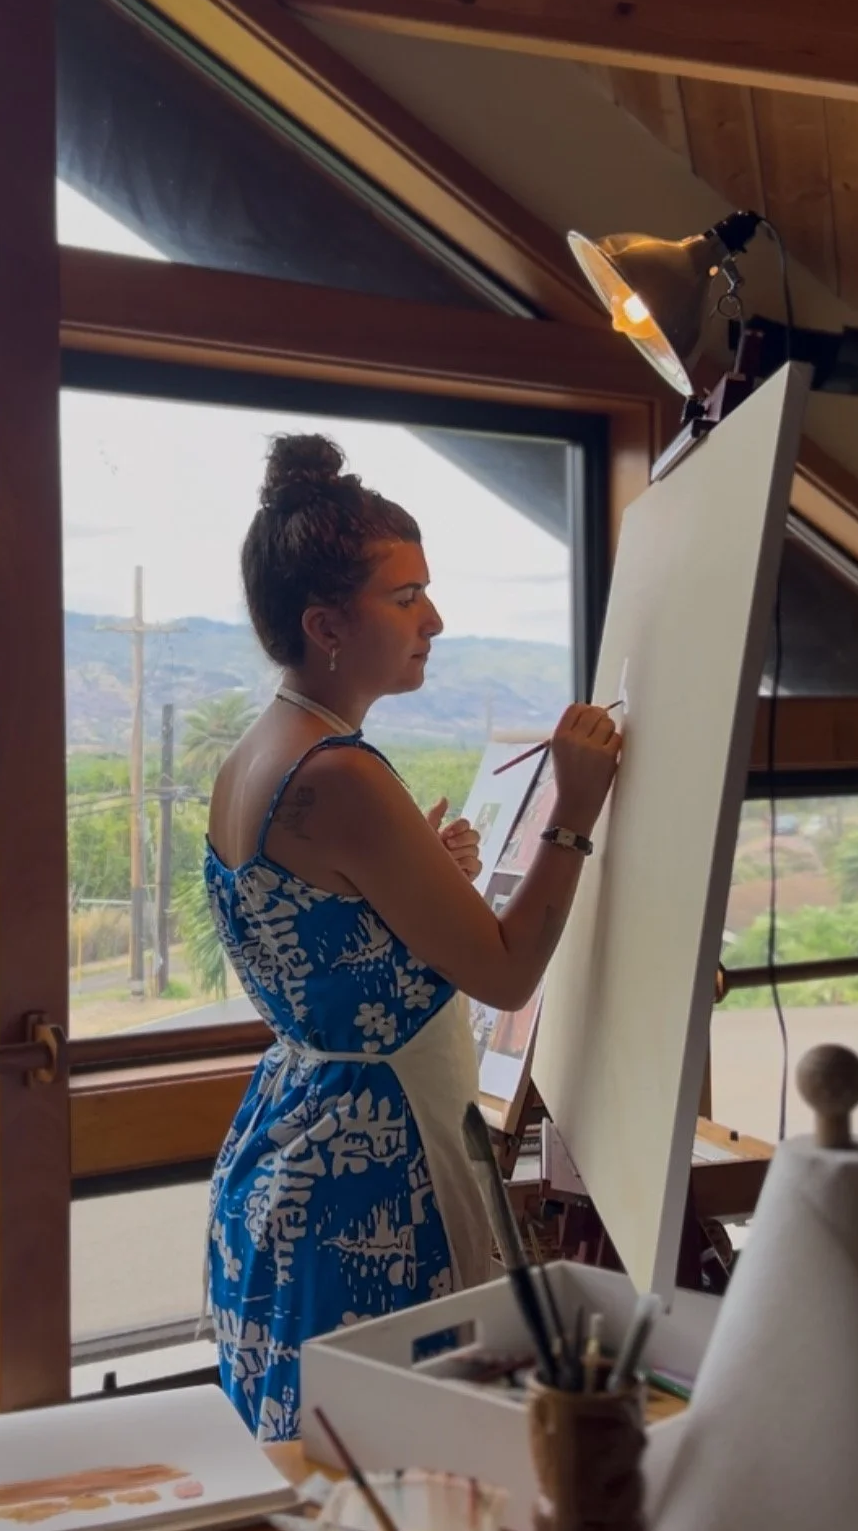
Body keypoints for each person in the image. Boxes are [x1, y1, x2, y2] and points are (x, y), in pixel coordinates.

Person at [203, 433, 621, 1441]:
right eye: (406, 598)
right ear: (326, 625)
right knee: (401, 1467)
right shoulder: (341, 774)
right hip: (368, 1173)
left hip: (298, 1142)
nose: (435, 619)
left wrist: (426, 872)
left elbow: (315, 939)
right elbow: (508, 963)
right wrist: (575, 808)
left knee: (335, 1473)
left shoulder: (262, 751)